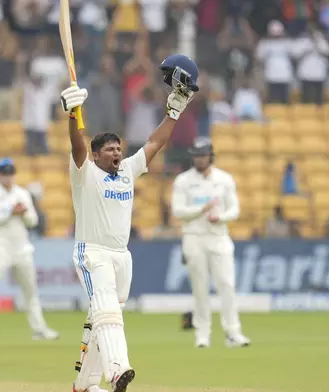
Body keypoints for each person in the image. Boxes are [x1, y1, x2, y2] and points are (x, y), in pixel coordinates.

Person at [60, 53, 198, 392]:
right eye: (109, 149)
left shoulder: (128, 171)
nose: (117, 153)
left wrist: (174, 112)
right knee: (108, 312)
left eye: (118, 148)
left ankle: (84, 384)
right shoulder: (84, 172)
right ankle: (118, 370)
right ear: (96, 155)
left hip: (122, 256)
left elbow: (154, 142)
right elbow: (77, 144)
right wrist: (74, 112)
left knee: (100, 319)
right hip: (92, 252)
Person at [171, 137, 250, 349]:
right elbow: (178, 211)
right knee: (200, 287)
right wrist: (202, 210)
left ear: (210, 156)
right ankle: (202, 334)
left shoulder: (224, 179)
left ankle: (233, 332)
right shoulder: (183, 181)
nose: (199, 159)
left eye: (203, 155)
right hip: (193, 237)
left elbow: (235, 210)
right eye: (196, 155)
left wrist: (220, 217)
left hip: (219, 236)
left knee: (227, 284)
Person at [0, 158, 59, 342]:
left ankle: (39, 329)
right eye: (4, 173)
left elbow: (32, 221)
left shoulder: (22, 194)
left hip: (22, 248)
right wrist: (9, 212)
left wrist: (23, 213)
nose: (7, 177)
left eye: (10, 174)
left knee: (30, 291)